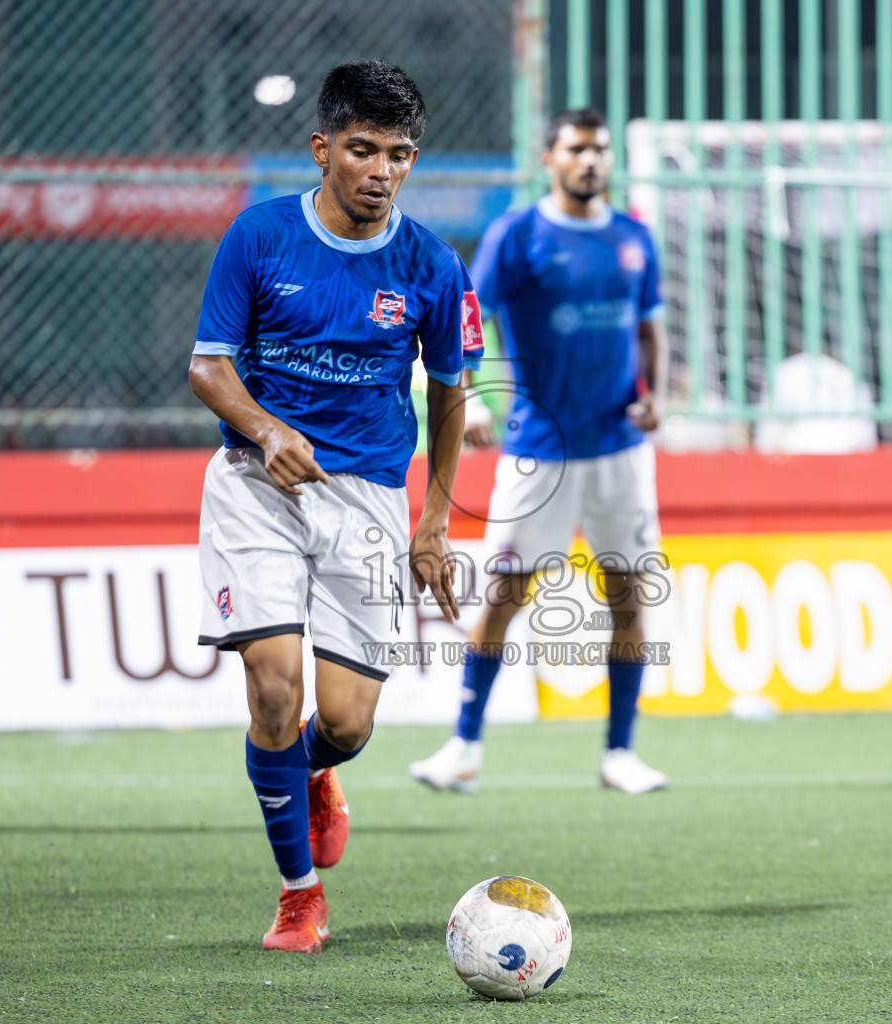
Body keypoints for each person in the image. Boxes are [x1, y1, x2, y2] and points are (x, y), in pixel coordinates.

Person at [188, 60, 480, 952]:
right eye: (362, 150)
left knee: (345, 725)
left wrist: (433, 519)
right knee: (273, 689)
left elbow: (451, 392)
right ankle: (298, 896)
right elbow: (208, 366)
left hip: (367, 500)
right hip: (256, 484)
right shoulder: (260, 236)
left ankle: (312, 772)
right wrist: (264, 428)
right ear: (323, 149)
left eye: (399, 154)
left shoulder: (433, 264)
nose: (381, 170)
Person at [407, 108, 669, 797]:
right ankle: (464, 745)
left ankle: (620, 752)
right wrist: (471, 402)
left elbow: (650, 328)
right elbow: (467, 316)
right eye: (578, 149)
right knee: (506, 593)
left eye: (600, 150)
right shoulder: (518, 234)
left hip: (619, 447)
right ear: (551, 157)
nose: (591, 161)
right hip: (540, 448)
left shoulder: (634, 237)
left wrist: (658, 397)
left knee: (629, 595)